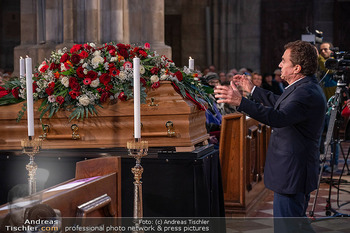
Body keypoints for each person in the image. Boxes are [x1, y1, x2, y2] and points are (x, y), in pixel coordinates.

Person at [214, 41, 326, 222]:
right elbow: (279, 101)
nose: (280, 64)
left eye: (284, 61)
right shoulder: (304, 87)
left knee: (287, 226)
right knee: (297, 225)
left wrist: (241, 102)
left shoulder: (306, 92)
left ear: (296, 68)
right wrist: (252, 89)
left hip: (292, 172)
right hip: (293, 170)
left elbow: (278, 117)